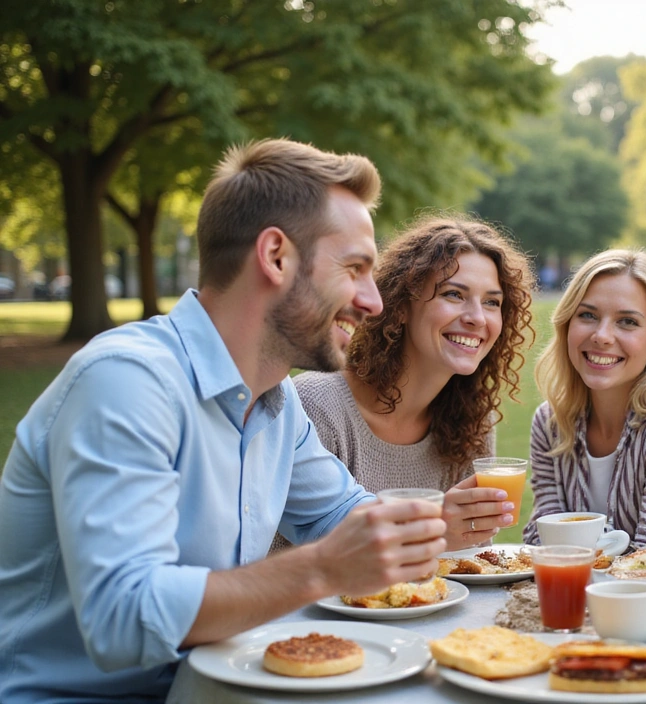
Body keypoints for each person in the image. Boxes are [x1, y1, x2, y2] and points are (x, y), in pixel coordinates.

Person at [0, 139, 448, 703]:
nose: (373, 301)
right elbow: (121, 619)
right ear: (276, 256)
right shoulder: (126, 382)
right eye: (355, 268)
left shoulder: (274, 401)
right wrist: (323, 570)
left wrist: (426, 525)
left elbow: (341, 516)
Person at [284, 215, 534, 551]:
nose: (477, 317)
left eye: (492, 302)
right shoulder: (319, 405)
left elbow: (466, 561)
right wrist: (431, 527)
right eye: (454, 294)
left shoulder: (473, 421)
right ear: (400, 307)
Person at [523, 249, 646, 548]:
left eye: (627, 322)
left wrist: (567, 560)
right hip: (569, 592)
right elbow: (540, 540)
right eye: (587, 315)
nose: (602, 336)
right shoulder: (550, 422)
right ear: (567, 324)